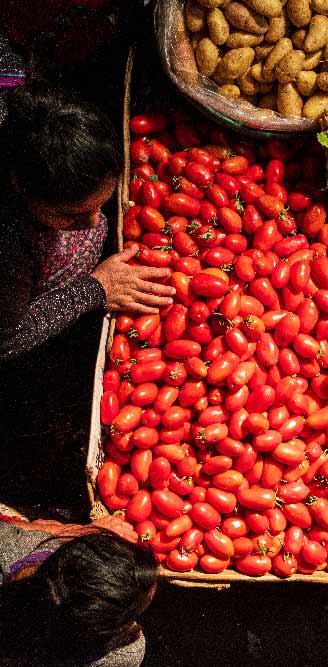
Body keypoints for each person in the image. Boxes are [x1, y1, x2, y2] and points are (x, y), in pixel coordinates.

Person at [0, 82, 174, 516]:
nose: (95, 221)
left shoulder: (53, 126)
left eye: (104, 204)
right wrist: (93, 290)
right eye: (73, 216)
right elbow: (5, 337)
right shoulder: (7, 244)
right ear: (21, 187)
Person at [0, 513, 157, 666]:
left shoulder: (9, 547)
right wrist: (70, 530)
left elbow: (7, 528)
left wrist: (70, 530)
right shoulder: (124, 653)